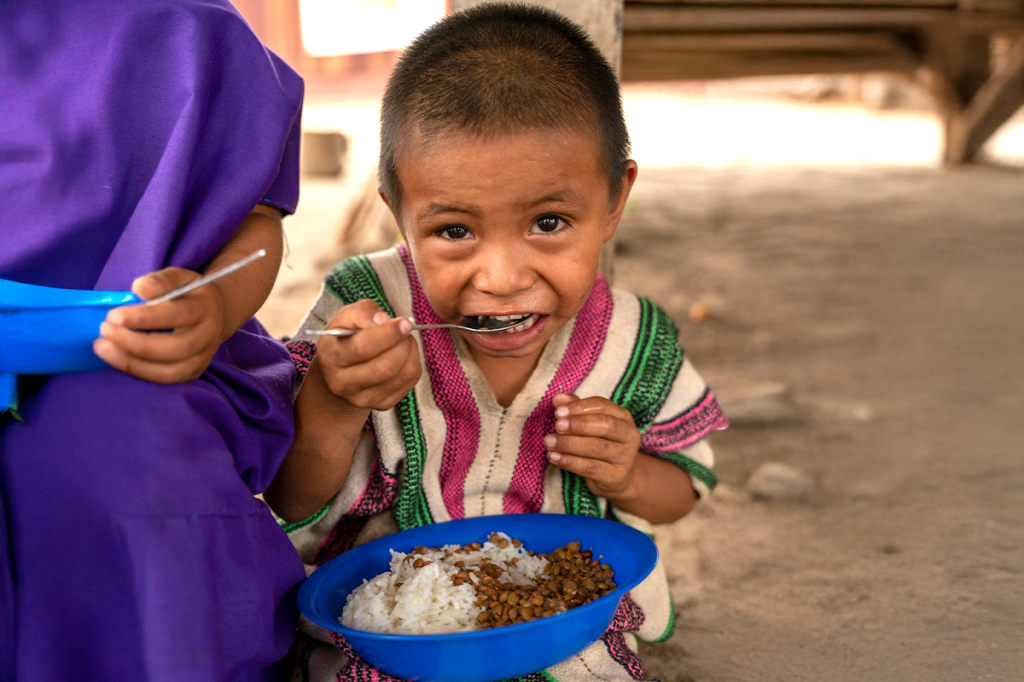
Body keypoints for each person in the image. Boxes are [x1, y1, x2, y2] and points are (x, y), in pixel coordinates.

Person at [266, 4, 727, 680]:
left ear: (614, 200)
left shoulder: (636, 342)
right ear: (396, 209)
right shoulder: (360, 309)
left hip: (564, 620)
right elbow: (289, 500)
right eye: (454, 231)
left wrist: (626, 473)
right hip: (395, 621)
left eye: (549, 221)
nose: (504, 279)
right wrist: (334, 401)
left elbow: (683, 491)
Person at [0, 1, 306, 680]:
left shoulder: (189, 27)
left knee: (115, 447)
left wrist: (215, 304)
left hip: (145, 360)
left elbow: (253, 219)